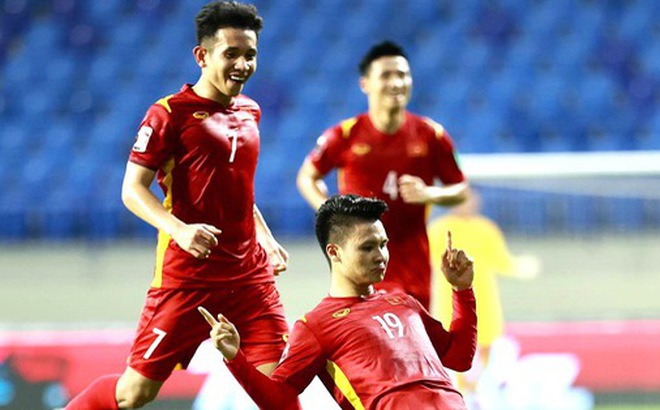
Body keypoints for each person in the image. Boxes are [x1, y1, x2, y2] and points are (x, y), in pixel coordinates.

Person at [65, 2, 290, 408]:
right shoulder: (168, 114)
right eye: (231, 54)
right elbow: (132, 190)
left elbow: (239, 191)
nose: (243, 65)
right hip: (188, 281)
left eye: (250, 54)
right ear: (202, 56)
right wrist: (179, 229)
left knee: (277, 391)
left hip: (250, 280)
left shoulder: (250, 111)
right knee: (135, 394)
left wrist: (266, 238)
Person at [199, 194, 477, 409]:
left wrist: (461, 289)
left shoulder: (404, 303)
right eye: (367, 247)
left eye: (383, 245)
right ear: (334, 252)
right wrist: (235, 358)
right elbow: (280, 398)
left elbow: (459, 356)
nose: (380, 255)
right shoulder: (315, 326)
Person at [297, 40, 468, 310]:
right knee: (365, 333)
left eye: (402, 75)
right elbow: (307, 177)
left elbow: (460, 189)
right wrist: (332, 213)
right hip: (360, 262)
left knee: (413, 335)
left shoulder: (430, 135)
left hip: (414, 266)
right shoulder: (345, 135)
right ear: (365, 84)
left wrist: (429, 193)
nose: (396, 82)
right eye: (386, 75)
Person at [428, 188, 540, 407]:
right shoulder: (439, 229)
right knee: (455, 345)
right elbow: (428, 261)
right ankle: (460, 393)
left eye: (470, 200)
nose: (467, 205)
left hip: (484, 298)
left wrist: (522, 267)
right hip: (450, 299)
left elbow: (501, 260)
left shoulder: (486, 229)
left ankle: (474, 392)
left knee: (485, 343)